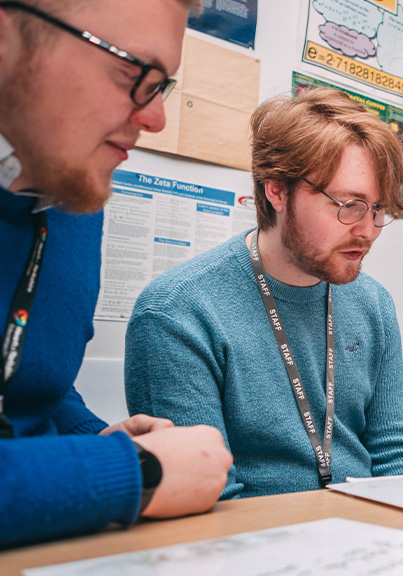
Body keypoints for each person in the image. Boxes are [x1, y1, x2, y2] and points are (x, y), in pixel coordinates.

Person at [0, 0, 232, 548]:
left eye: (162, 86)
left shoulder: (74, 190)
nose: (155, 118)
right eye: (133, 74)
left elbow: (31, 385)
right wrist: (132, 469)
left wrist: (93, 436)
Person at [124, 88, 403, 499]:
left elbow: (396, 452)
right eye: (350, 206)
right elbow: (204, 497)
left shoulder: (372, 302)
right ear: (277, 190)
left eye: (378, 210)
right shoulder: (177, 313)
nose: (368, 230)